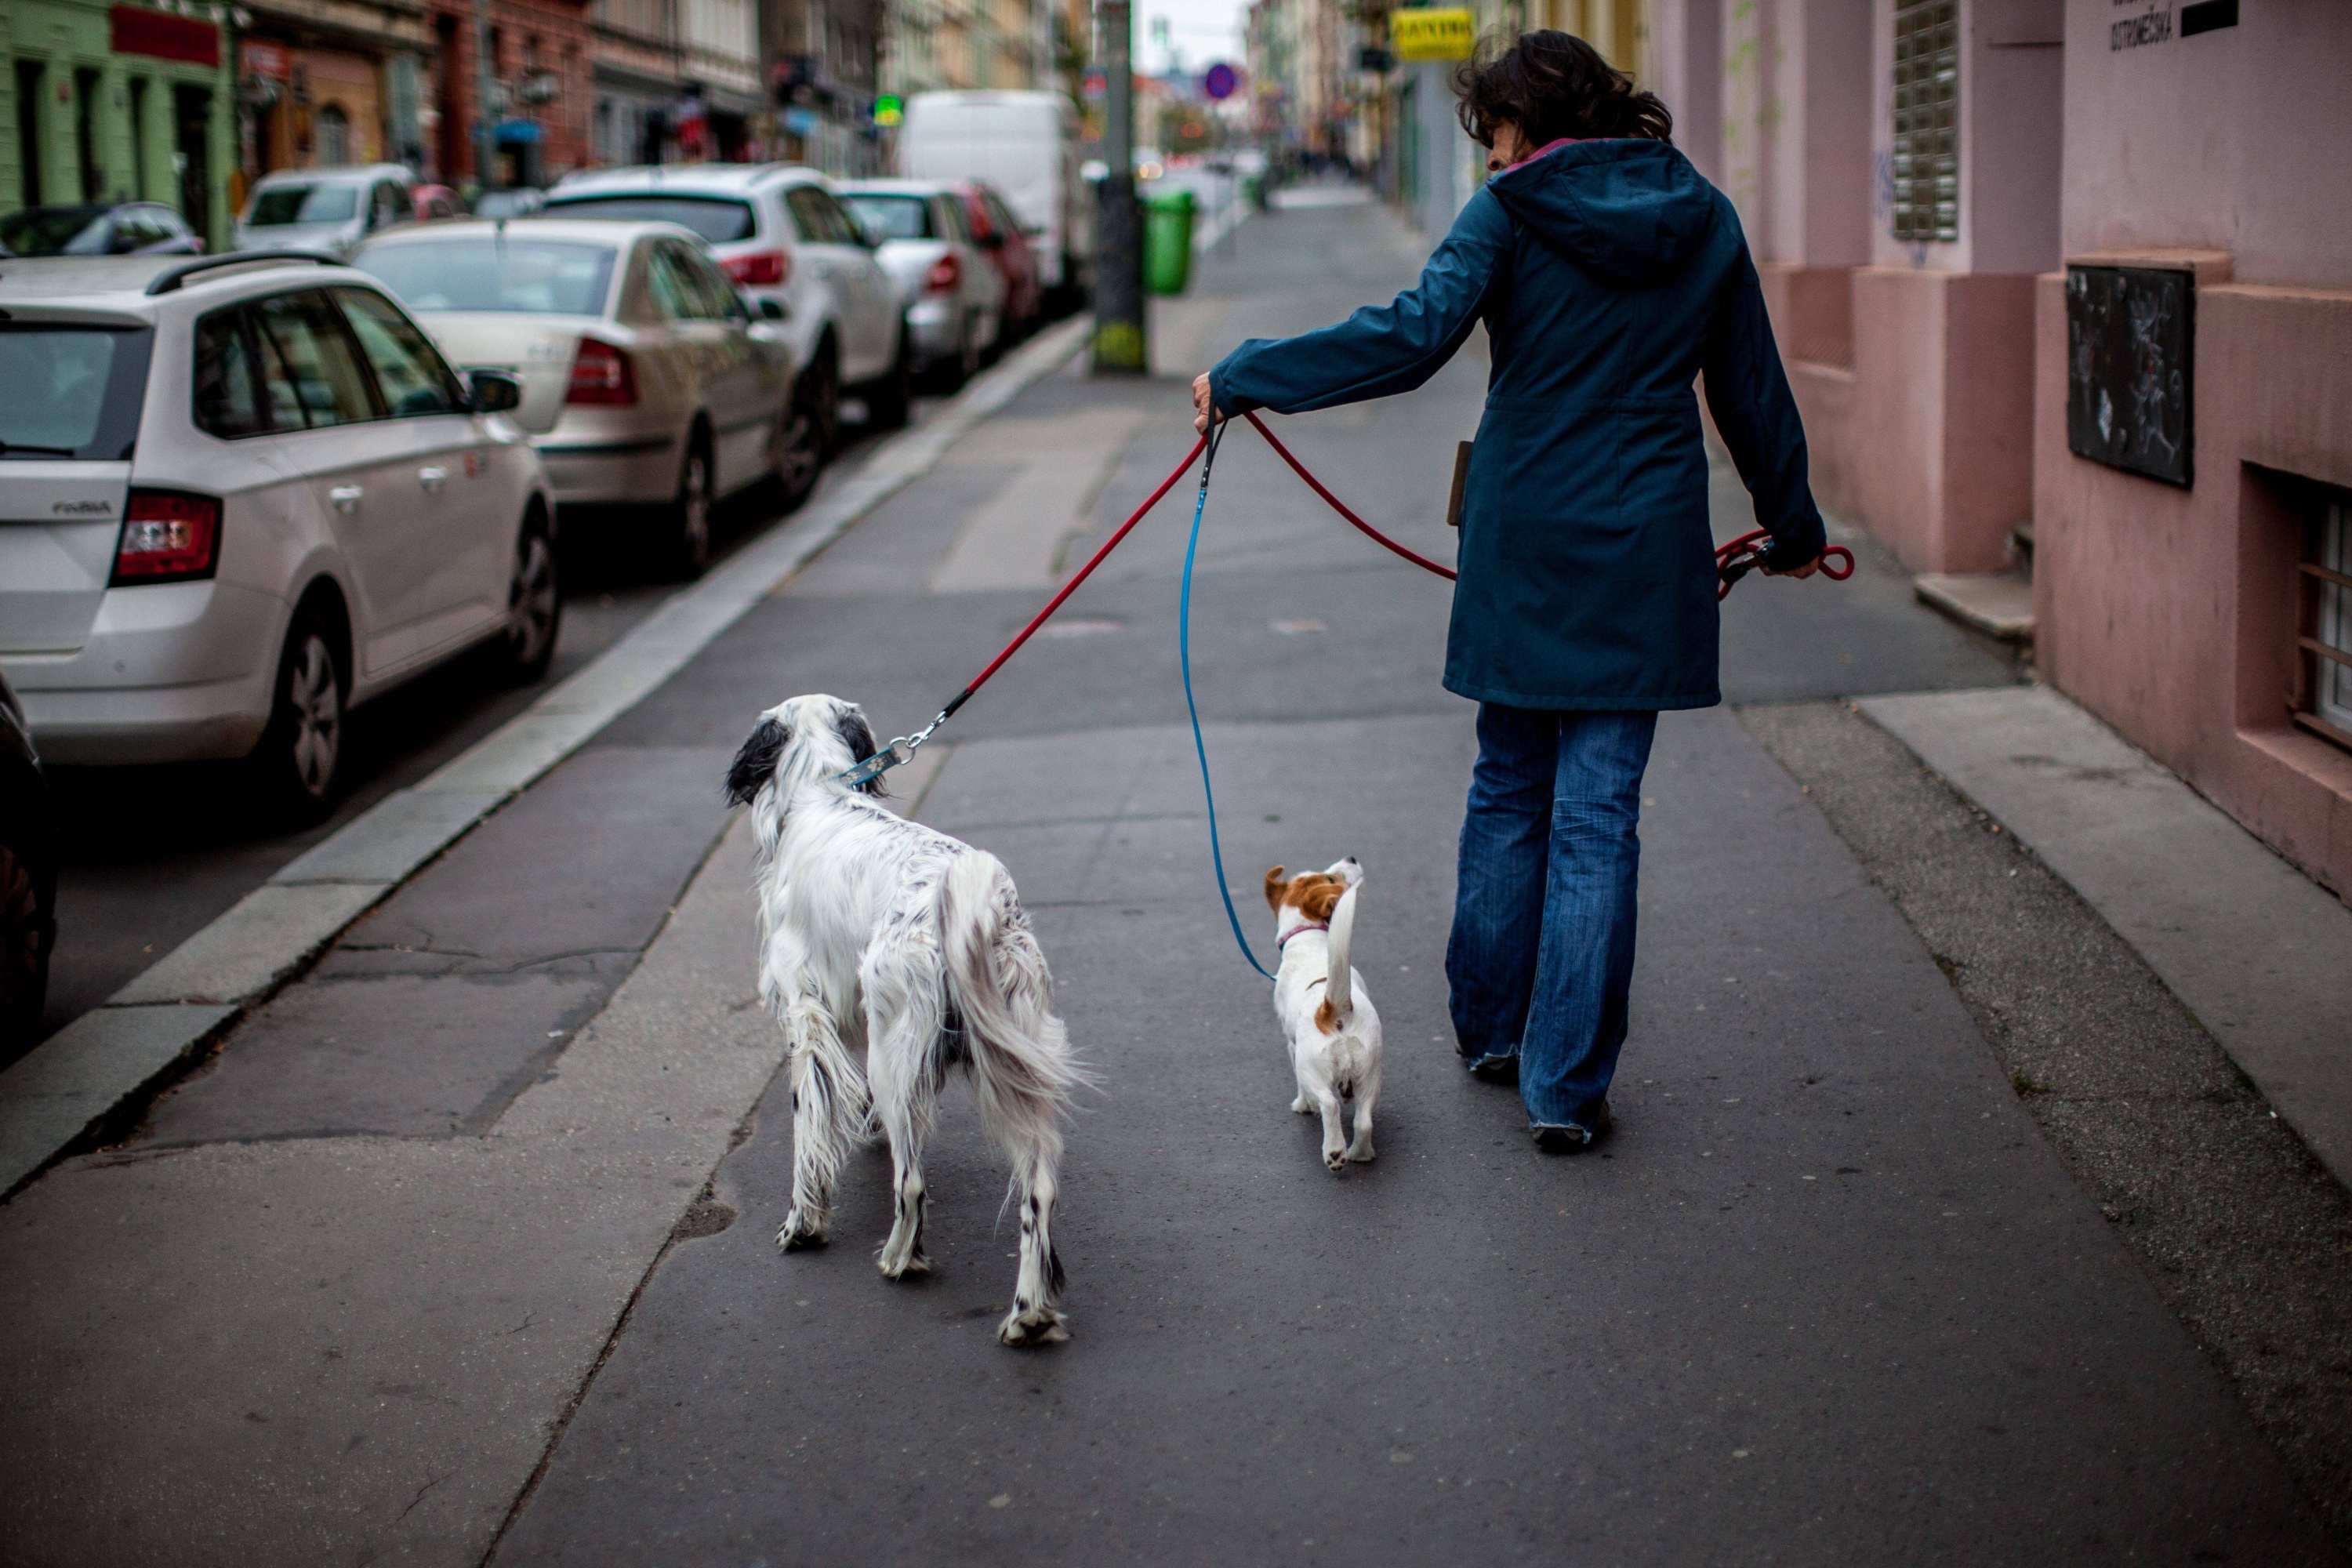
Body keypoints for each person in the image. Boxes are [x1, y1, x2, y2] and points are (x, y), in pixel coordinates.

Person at [1192, 30, 1826, 1153]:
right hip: (1647, 542)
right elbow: (1751, 390)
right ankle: (1567, 1090)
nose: (1491, 159)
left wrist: (1249, 375)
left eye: (1496, 135)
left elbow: (1410, 340)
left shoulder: (1512, 211)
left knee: (1507, 786)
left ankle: (1491, 1031)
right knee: (1598, 821)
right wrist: (1794, 522)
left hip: (1526, 533)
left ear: (1529, 125)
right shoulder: (1704, 215)